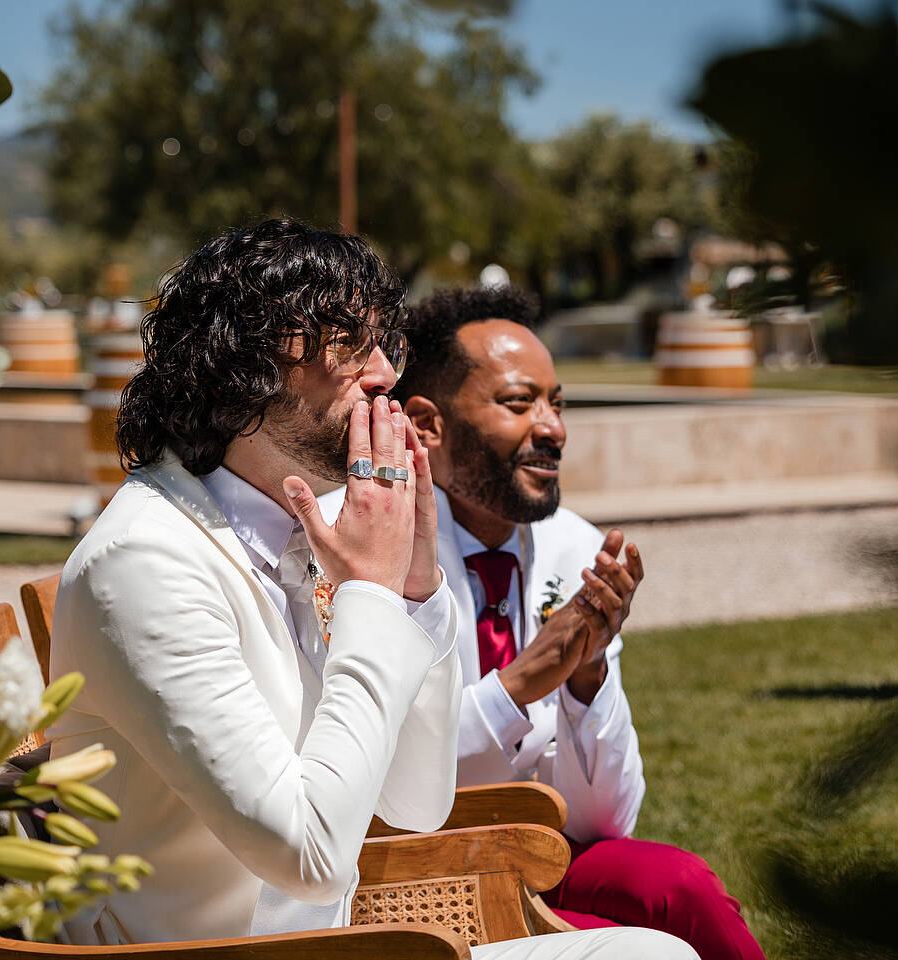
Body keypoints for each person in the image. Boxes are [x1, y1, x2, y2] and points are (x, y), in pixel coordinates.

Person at [45, 220, 698, 960]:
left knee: (653, 952)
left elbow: (417, 804)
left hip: (338, 946)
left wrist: (419, 591)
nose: (386, 372)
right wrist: (373, 594)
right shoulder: (146, 562)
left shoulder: (302, 529)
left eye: (383, 342)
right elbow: (311, 859)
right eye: (349, 341)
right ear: (247, 360)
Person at [367, 285, 766, 960]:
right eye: (520, 403)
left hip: (548, 848)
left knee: (683, 886)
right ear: (426, 426)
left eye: (557, 403)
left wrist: (586, 678)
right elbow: (385, 781)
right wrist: (517, 686)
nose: (552, 427)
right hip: (414, 870)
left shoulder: (575, 548)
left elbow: (612, 819)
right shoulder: (370, 546)